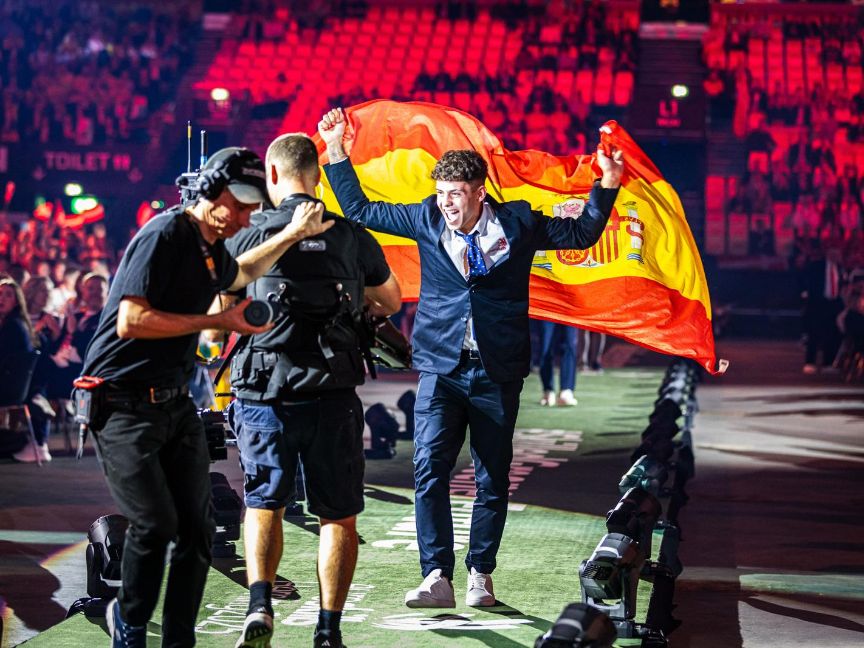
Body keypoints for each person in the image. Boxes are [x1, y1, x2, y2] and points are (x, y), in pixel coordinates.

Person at [318, 107, 623, 608]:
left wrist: (606, 184)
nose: (446, 203)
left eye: (455, 194)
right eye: (441, 193)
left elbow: (581, 234)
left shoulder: (518, 223)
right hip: (441, 369)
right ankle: (436, 575)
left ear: (480, 192)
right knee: (428, 470)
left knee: (491, 479)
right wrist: (336, 149)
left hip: (496, 372)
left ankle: (481, 574)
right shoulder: (425, 216)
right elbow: (360, 209)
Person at [80, 146, 333, 648]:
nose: (244, 217)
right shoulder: (165, 235)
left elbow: (239, 274)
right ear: (209, 191)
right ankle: (127, 621)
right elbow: (131, 320)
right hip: (122, 403)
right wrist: (218, 320)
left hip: (174, 403)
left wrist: (291, 234)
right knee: (155, 524)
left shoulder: (210, 247)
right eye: (237, 205)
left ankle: (180, 641)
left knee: (199, 532)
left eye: (252, 207)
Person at [224, 133, 401, 648]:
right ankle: (328, 631)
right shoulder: (350, 235)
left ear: (272, 176)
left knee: (264, 502)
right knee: (337, 514)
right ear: (317, 176)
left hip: (265, 393)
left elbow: (221, 300)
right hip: (332, 392)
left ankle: (260, 605)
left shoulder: (250, 233)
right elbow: (390, 300)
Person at [538, 321, 579, 406]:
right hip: (547, 312)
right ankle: (548, 390)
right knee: (545, 345)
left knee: (570, 343)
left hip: (570, 313)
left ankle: (566, 390)